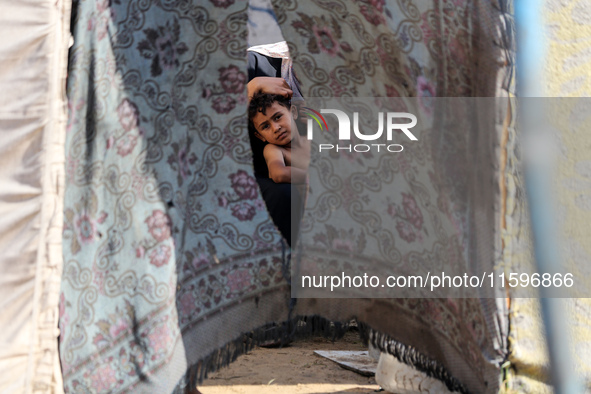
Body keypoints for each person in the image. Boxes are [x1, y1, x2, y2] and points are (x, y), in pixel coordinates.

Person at [248, 92, 310, 185]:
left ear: (293, 112)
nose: (276, 128)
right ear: (260, 136)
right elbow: (279, 174)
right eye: (265, 126)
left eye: (277, 117)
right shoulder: (274, 150)